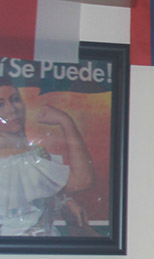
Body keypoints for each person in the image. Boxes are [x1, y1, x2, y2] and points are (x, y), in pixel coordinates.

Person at [0, 76, 96, 236]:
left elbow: (31, 198)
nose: (11, 109)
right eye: (0, 104)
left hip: (45, 248)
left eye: (15, 99)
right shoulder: (20, 157)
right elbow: (82, 180)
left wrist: (62, 202)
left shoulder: (32, 153)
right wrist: (66, 121)